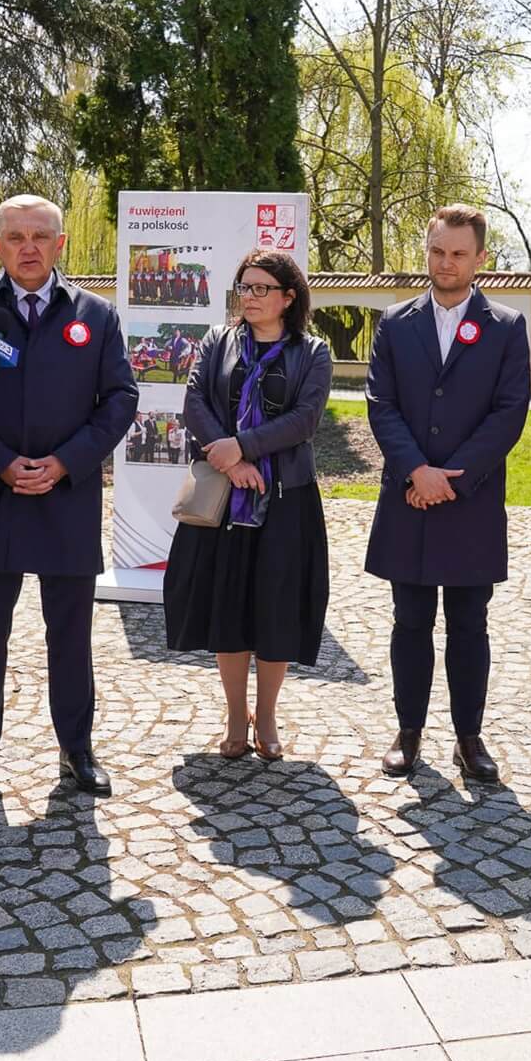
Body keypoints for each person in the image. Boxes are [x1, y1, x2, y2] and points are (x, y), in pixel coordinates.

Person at [0, 195, 136, 804]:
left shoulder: (96, 315)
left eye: (40, 236)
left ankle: (77, 749)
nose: (29, 248)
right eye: (16, 237)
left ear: (60, 243)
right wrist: (0, 464)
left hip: (65, 495)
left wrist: (66, 462)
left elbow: (120, 399)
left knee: (70, 634)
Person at [365, 205, 531, 783]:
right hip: (408, 497)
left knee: (469, 624)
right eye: (437, 251)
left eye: (459, 253)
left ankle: (468, 738)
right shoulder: (395, 323)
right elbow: (381, 405)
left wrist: (450, 480)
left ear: (481, 258)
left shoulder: (506, 326)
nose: (446, 263)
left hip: (470, 503)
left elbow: (509, 413)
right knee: (409, 621)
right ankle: (408, 732)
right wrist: (417, 471)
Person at [167, 250, 333, 761]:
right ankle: (236, 714)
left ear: (289, 297)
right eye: (245, 286)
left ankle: (268, 714)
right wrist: (231, 461)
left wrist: (242, 447)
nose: (251, 296)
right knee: (229, 608)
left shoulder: (313, 352)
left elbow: (305, 419)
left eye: (263, 288)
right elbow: (195, 402)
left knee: (276, 609)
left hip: (286, 500)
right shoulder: (218, 341)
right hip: (224, 501)